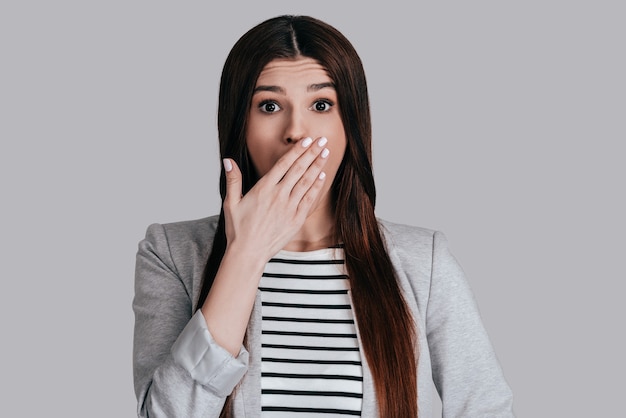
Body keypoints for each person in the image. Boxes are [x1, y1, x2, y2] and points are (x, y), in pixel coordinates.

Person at [133, 15, 514, 418]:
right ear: (239, 125)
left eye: (321, 104)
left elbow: (485, 406)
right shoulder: (171, 253)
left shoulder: (425, 262)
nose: (296, 130)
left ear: (350, 124)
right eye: (269, 105)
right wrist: (245, 255)